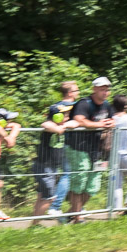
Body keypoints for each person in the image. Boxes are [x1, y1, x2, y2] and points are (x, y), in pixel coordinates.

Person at [64, 76, 116, 223]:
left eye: (107, 89)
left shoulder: (107, 105)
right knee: (79, 181)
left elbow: (112, 120)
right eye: (102, 89)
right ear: (94, 89)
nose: (105, 92)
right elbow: (79, 120)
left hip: (98, 150)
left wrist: (111, 122)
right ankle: (77, 216)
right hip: (78, 148)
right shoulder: (84, 103)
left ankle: (71, 213)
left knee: (93, 186)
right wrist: (99, 125)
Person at [33, 81, 79, 220]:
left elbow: (76, 122)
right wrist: (58, 128)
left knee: (42, 195)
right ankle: (48, 213)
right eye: (64, 115)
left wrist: (64, 126)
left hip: (52, 163)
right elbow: (45, 123)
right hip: (45, 163)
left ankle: (35, 223)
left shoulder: (62, 117)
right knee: (49, 196)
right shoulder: (54, 120)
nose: (66, 116)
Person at [111, 94, 127, 209]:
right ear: (126, 106)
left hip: (114, 154)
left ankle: (117, 208)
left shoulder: (112, 118)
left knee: (117, 183)